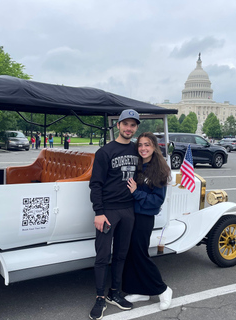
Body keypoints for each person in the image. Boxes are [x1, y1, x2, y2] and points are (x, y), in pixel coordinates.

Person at [88, 109, 140, 320]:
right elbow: (96, 184)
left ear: (136, 128)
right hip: (108, 211)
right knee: (102, 255)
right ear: (118, 125)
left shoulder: (138, 150)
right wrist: (99, 212)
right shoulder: (105, 152)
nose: (129, 128)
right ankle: (100, 297)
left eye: (133, 125)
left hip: (128, 209)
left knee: (121, 254)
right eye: (125, 124)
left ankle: (114, 293)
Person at [121, 132, 173, 310]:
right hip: (130, 214)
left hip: (144, 217)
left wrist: (136, 193)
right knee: (131, 253)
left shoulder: (160, 168)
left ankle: (163, 289)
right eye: (140, 145)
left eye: (147, 145)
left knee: (140, 254)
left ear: (154, 147)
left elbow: (157, 200)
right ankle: (141, 291)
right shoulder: (136, 164)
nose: (143, 148)